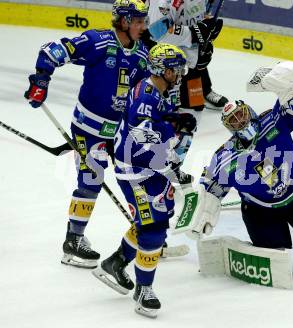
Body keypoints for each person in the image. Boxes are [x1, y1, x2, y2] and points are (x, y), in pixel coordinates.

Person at [187, 61, 293, 271]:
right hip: (262, 211)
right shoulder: (225, 157)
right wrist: (205, 215)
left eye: (241, 114)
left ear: (250, 111)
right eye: (234, 121)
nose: (240, 121)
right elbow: (212, 187)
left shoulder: (273, 121)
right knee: (275, 261)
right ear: (230, 129)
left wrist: (292, 85)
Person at [24, 0, 151, 269]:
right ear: (125, 21)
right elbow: (51, 51)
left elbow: (145, 94)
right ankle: (74, 240)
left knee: (135, 178)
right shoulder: (98, 42)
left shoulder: (142, 56)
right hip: (88, 127)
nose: (143, 26)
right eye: (138, 21)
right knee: (92, 178)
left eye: (144, 21)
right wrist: (41, 80)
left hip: (119, 130)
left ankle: (146, 229)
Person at [92, 43, 196, 318]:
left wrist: (172, 121)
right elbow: (140, 140)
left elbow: (154, 126)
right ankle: (143, 291)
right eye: (176, 69)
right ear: (162, 70)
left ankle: (115, 263)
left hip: (146, 166)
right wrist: (170, 149)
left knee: (155, 219)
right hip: (136, 170)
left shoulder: (157, 90)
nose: (180, 74)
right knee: (152, 229)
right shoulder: (146, 98)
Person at [146, 0, 228, 184]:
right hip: (166, 69)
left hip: (191, 69)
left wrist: (204, 47)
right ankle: (155, 169)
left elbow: (197, 19)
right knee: (165, 119)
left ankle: (173, 168)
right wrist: (196, 34)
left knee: (192, 117)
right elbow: (158, 31)